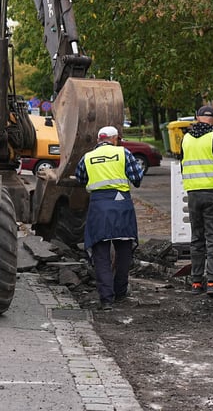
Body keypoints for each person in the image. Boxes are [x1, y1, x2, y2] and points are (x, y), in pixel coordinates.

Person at [75, 125, 144, 311]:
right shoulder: (124, 153)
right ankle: (120, 291)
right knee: (123, 251)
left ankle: (106, 299)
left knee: (101, 254)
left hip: (98, 206)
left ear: (99, 139)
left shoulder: (87, 157)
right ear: (115, 139)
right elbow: (137, 177)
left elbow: (80, 178)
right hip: (122, 206)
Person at [180, 105, 213, 298]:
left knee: (197, 238)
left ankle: (195, 282)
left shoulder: (186, 138)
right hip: (212, 193)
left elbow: (183, 162)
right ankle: (211, 281)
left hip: (193, 194)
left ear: (197, 117)